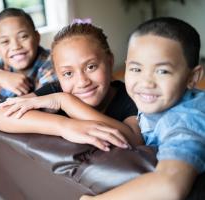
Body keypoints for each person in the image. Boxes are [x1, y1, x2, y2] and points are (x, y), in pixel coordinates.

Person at [80, 17, 205, 200]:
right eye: (136, 69)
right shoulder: (155, 100)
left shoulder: (185, 121)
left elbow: (169, 185)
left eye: (162, 71)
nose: (146, 83)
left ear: (193, 77)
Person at [0, 21, 144, 151]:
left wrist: (66, 101)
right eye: (68, 73)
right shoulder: (56, 89)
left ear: (110, 62)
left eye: (91, 67)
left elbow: (134, 139)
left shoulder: (131, 96)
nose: (82, 82)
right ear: (58, 75)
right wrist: (64, 126)